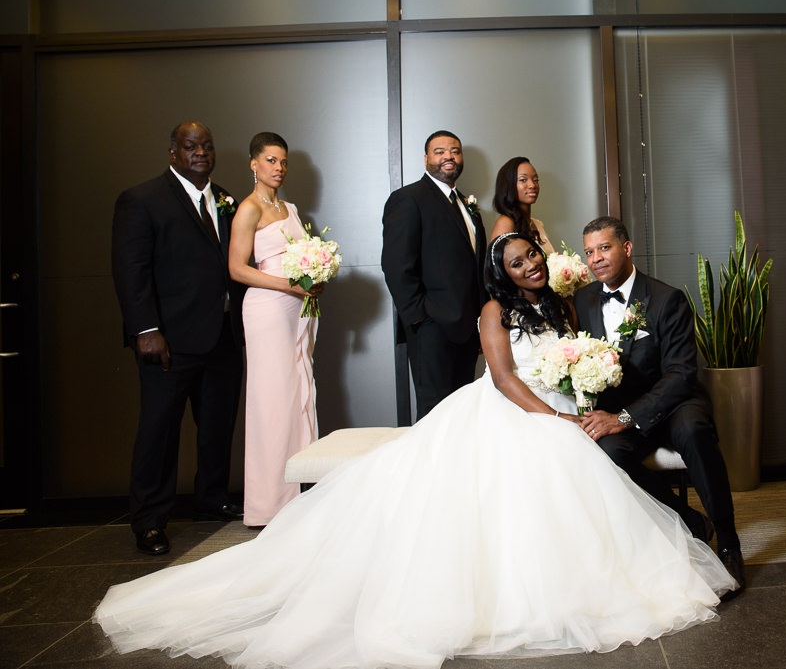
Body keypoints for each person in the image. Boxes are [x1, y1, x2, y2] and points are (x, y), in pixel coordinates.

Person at [94, 233, 735, 668]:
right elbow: (508, 379)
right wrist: (557, 420)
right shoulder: (493, 311)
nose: (530, 267)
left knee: (588, 475)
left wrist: (577, 399)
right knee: (540, 471)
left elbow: (577, 366)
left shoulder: (566, 306)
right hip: (510, 409)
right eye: (516, 263)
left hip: (562, 405)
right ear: (500, 273)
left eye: (533, 257)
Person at [574, 216, 746, 596]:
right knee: (607, 451)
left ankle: (730, 541)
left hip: (674, 402)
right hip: (620, 409)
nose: (597, 258)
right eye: (590, 251)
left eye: (605, 247)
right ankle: (689, 521)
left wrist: (624, 417)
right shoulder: (583, 300)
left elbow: (681, 374)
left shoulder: (667, 299)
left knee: (694, 430)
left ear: (627, 248)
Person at [111, 121, 245, 556]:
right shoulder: (142, 199)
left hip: (222, 337)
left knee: (216, 428)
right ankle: (149, 520)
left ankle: (211, 500)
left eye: (206, 145)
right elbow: (132, 271)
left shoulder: (227, 201)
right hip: (168, 341)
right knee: (159, 432)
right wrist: (146, 330)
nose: (200, 153)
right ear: (173, 152)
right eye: (190, 146)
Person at [227, 132, 323, 527]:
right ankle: (268, 504)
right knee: (271, 401)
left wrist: (316, 274)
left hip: (298, 308)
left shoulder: (291, 207)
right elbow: (237, 268)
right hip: (267, 309)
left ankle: (300, 493)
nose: (278, 168)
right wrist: (287, 284)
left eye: (283, 161)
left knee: (298, 391)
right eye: (270, 160)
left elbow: (301, 259)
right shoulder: (248, 209)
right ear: (253, 163)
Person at [382, 130, 488, 420]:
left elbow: (476, 269)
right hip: (430, 329)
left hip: (467, 331)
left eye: (454, 151)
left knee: (462, 414)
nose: (448, 157)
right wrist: (420, 319)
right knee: (435, 415)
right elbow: (396, 265)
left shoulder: (468, 206)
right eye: (440, 151)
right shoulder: (408, 199)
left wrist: (482, 322)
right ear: (426, 158)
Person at [490, 155, 555, 253]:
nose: (532, 185)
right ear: (508, 185)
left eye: (535, 180)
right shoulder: (505, 222)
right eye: (523, 180)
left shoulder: (536, 224)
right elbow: (497, 264)